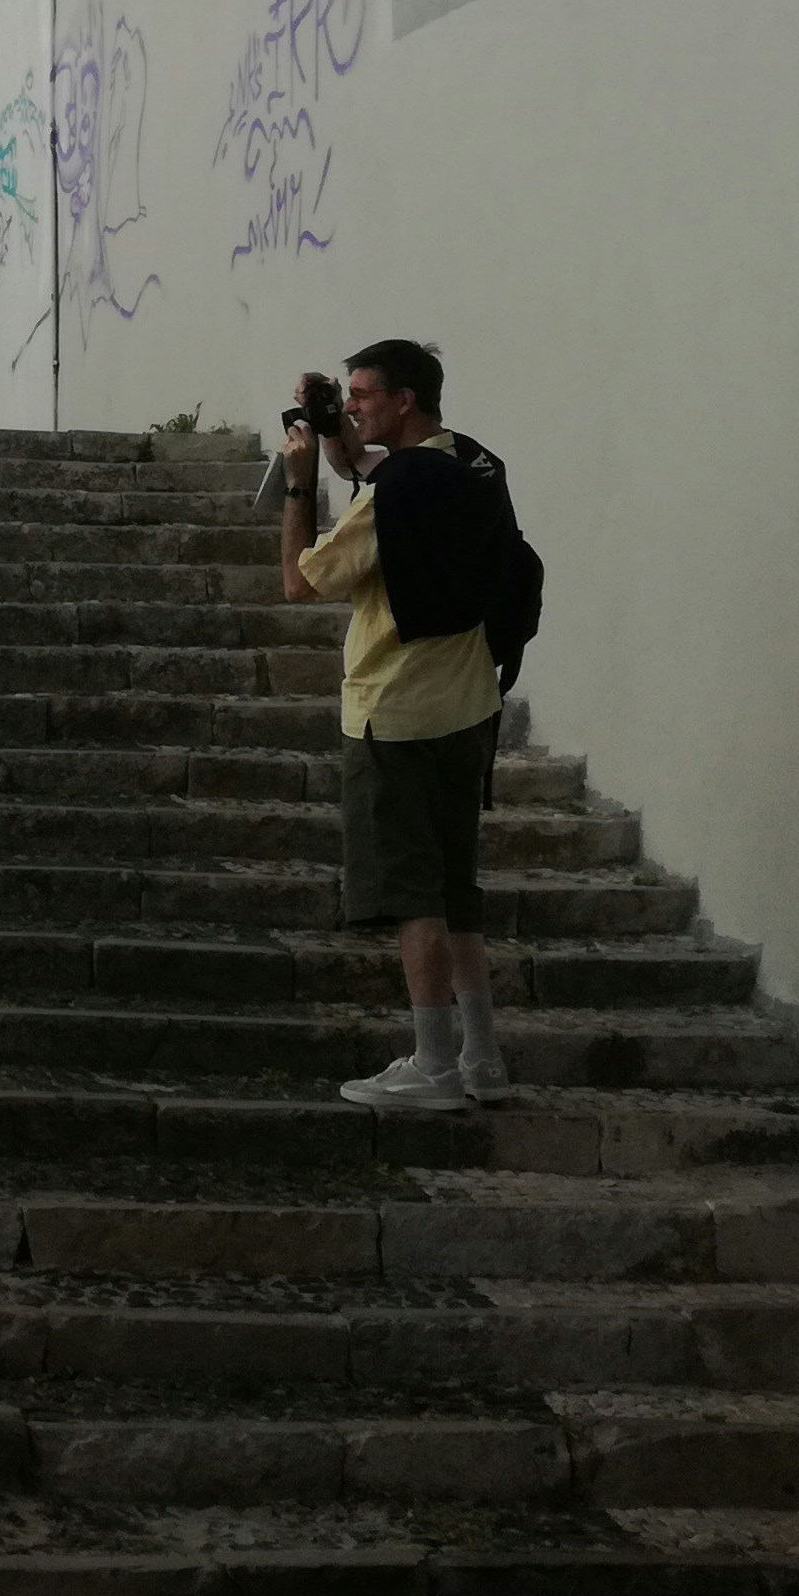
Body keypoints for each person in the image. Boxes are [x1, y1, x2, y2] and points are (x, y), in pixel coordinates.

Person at [279, 337, 525, 1109]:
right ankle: (481, 1059)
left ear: (403, 401)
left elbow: (299, 582)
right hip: (468, 707)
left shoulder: (389, 498)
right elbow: (374, 466)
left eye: (361, 395)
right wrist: (332, 432)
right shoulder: (473, 465)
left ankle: (432, 1064)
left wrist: (297, 485)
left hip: (394, 716)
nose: (352, 407)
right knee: (457, 889)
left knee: (413, 895)